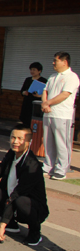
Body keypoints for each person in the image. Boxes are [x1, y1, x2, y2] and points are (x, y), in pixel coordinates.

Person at [41, 52, 79, 180]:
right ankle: (48, 166)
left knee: (62, 143)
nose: (53, 63)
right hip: (48, 113)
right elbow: (45, 90)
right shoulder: (52, 76)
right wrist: (45, 103)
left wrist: (48, 103)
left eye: (56, 61)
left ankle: (62, 169)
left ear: (64, 62)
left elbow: (65, 94)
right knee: (48, 141)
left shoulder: (72, 77)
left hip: (62, 115)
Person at [19, 62, 47, 127]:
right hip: (27, 102)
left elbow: (47, 93)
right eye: (31, 69)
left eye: (34, 70)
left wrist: (39, 95)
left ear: (39, 71)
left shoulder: (44, 80)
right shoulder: (28, 79)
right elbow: (22, 90)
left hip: (37, 103)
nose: (32, 71)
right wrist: (24, 92)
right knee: (25, 120)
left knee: (35, 122)